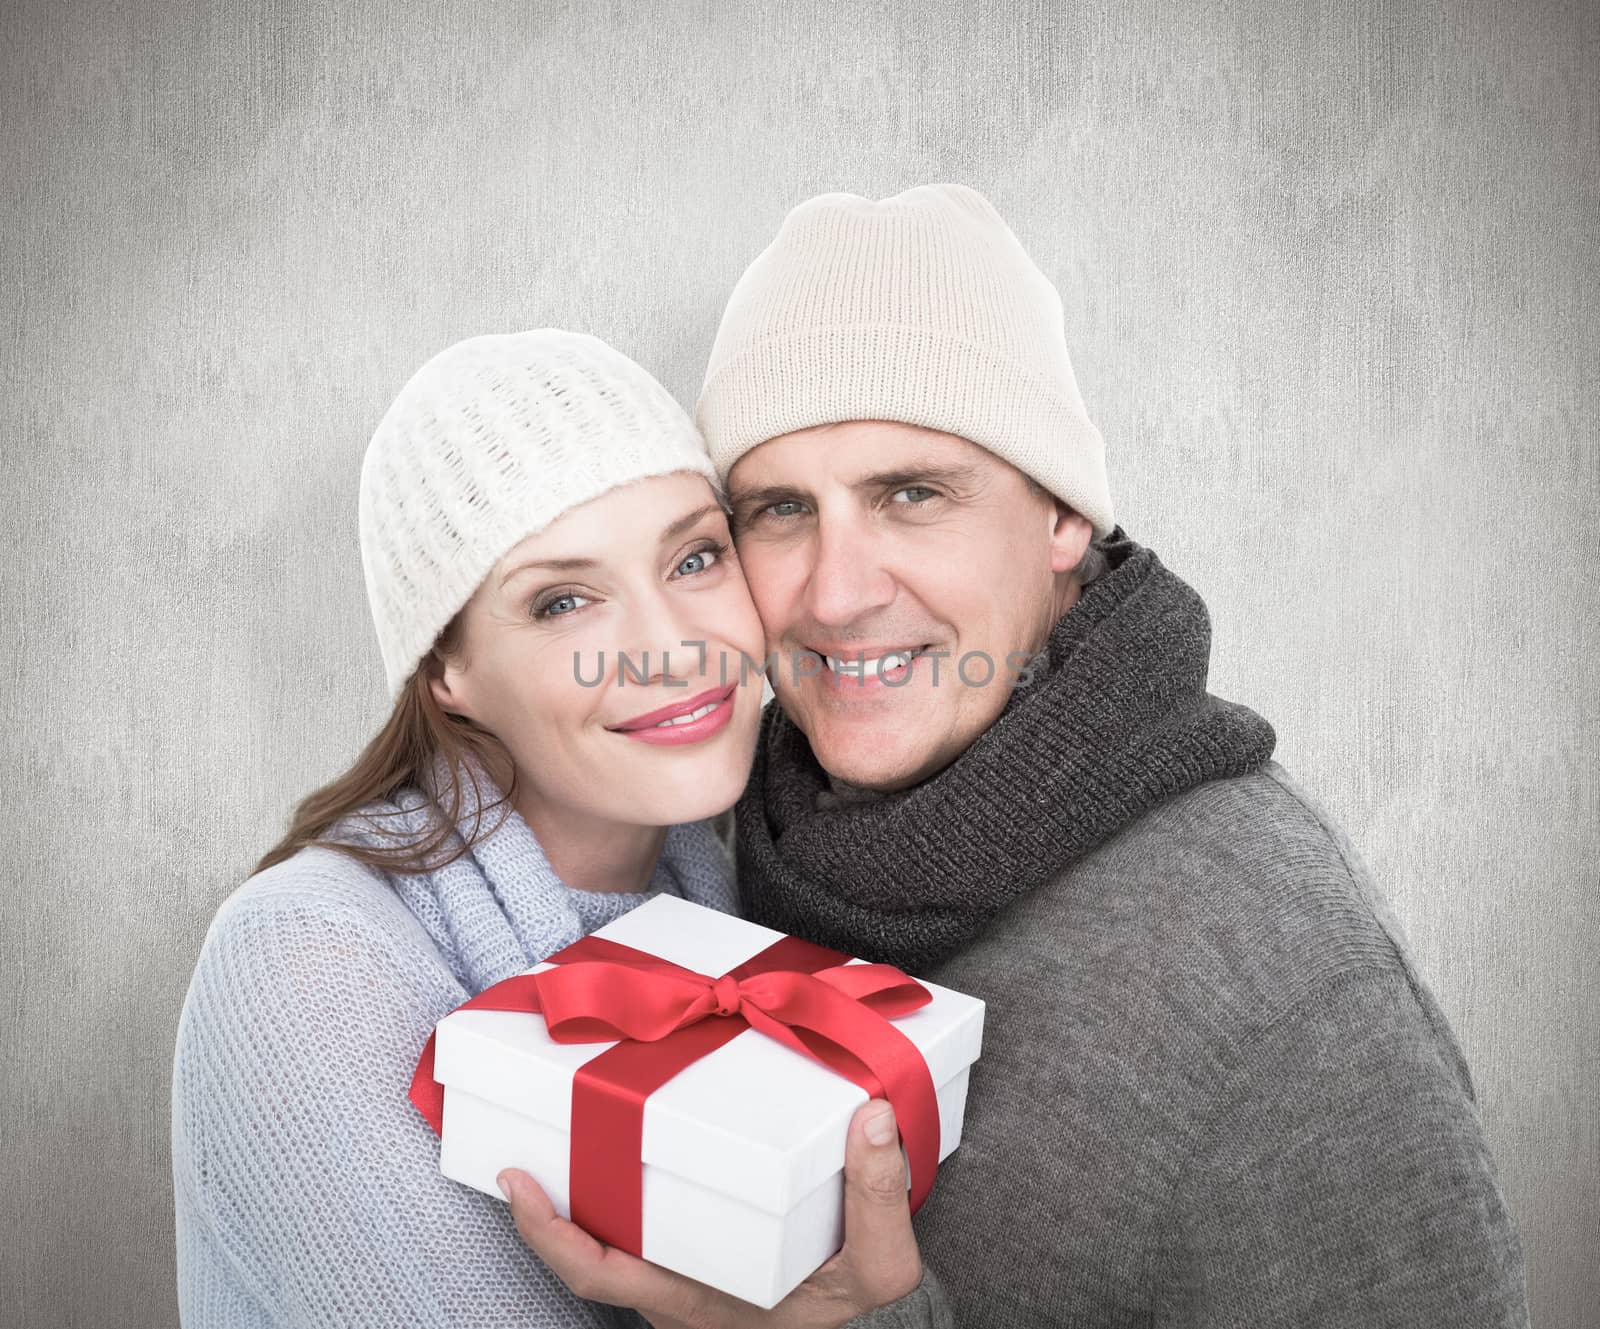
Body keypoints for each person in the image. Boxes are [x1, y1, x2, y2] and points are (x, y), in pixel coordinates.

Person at [504, 188, 1531, 1326]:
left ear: (1061, 520)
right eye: (781, 509)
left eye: (912, 494)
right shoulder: (724, 828)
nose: (837, 595)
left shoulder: (1289, 1000)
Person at [172, 329, 904, 1327]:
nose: (672, 650)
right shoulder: (309, 960)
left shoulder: (745, 886)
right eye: (564, 601)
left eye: (694, 557)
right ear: (444, 671)